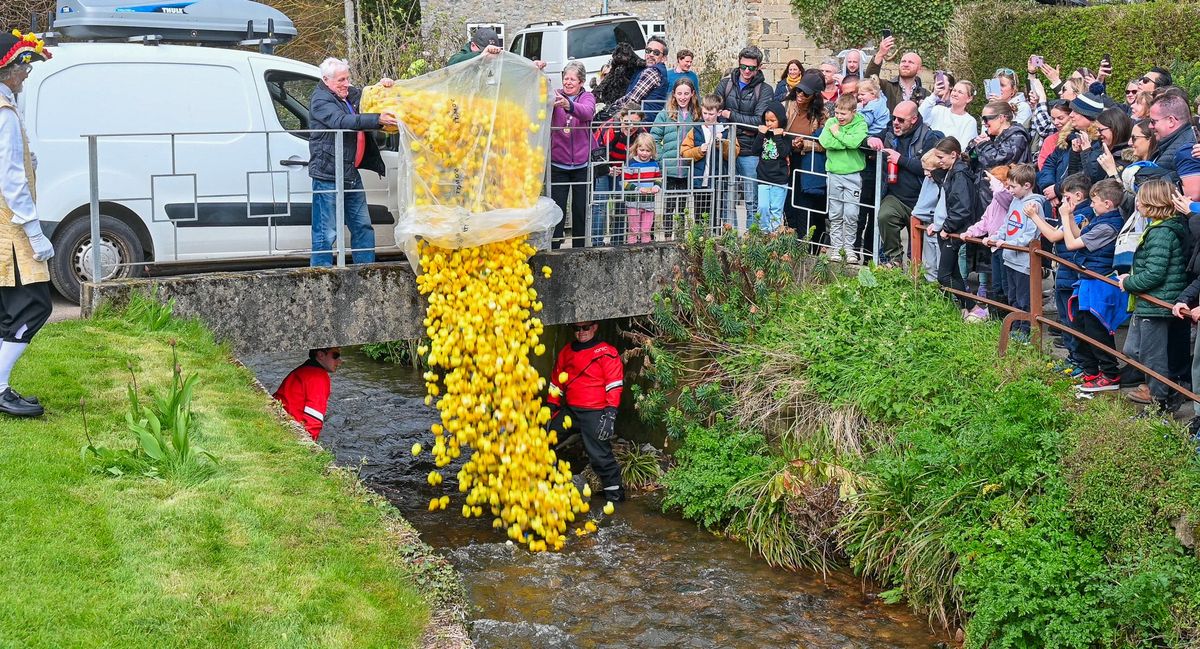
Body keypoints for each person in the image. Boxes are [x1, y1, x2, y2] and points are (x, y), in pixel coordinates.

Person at [0, 30, 54, 417]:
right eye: (24, 66)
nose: (27, 74)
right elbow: (10, 179)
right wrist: (34, 231)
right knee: (33, 306)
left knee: (7, 310)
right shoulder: (3, 113)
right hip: (11, 226)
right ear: (8, 69)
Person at [308, 57, 397, 267]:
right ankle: (321, 274)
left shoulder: (348, 93)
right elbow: (342, 121)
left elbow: (368, 95)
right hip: (327, 173)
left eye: (347, 78)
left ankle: (366, 272)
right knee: (325, 230)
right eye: (341, 80)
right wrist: (377, 120)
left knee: (363, 225)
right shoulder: (320, 100)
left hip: (349, 172)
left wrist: (383, 87)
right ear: (326, 80)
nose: (346, 84)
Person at [1119, 179, 1190, 413]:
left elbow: (1155, 274)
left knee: (1152, 357)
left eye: (1140, 198)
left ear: (1152, 202)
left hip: (1157, 303)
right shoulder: (1157, 228)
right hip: (1146, 302)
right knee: (1132, 350)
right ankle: (1162, 390)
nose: (1136, 202)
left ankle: (1159, 403)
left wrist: (1128, 282)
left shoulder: (1162, 232)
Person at [1060, 179, 1127, 392]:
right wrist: (1069, 215)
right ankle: (1092, 371)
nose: (1091, 205)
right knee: (1080, 325)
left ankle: (1110, 374)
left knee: (1096, 329)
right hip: (1089, 280)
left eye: (1095, 201)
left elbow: (1071, 244)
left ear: (1108, 203)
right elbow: (1080, 236)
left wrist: (1062, 216)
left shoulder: (1108, 226)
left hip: (1100, 282)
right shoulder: (1101, 220)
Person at [547, 321, 625, 503]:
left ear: (595, 326)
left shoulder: (606, 352)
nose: (581, 332)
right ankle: (549, 484)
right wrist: (551, 406)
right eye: (576, 328)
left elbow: (614, 385)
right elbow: (556, 381)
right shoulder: (566, 352)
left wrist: (610, 414)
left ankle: (615, 498)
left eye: (586, 328)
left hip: (595, 412)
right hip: (571, 411)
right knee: (543, 440)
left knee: (600, 456)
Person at [1025, 173, 1093, 372]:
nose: (1063, 201)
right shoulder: (1075, 212)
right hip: (1064, 271)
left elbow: (1054, 236)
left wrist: (1034, 217)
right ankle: (1074, 358)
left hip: (1071, 272)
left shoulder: (1081, 213)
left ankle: (1079, 361)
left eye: (1066, 197)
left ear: (1078, 195)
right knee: (1065, 318)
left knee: (1072, 320)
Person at [982, 163, 1049, 335]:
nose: (1009, 190)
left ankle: (1026, 332)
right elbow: (1007, 225)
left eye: (1013, 187)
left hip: (1023, 262)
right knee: (1012, 296)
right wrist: (996, 237)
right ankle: (1016, 329)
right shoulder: (1015, 201)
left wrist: (1009, 244)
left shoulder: (1034, 205)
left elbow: (1031, 234)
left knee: (1024, 298)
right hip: (1010, 258)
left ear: (1027, 185)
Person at [875, 100, 941, 267]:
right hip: (896, 196)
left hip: (921, 200)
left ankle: (915, 275)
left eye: (901, 120)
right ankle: (894, 260)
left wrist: (901, 160)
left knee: (917, 246)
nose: (895, 122)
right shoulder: (890, 131)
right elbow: (867, 140)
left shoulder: (929, 136)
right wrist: (871, 140)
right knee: (885, 216)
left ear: (913, 119)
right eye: (893, 118)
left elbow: (928, 167)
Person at [714, 46, 771, 227]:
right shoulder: (725, 84)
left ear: (758, 67)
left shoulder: (765, 90)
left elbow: (758, 122)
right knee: (724, 195)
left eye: (751, 68)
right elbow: (713, 110)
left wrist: (730, 116)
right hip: (725, 146)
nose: (746, 71)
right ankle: (728, 236)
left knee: (750, 198)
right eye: (743, 66)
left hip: (749, 149)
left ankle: (750, 238)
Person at [928, 137, 979, 314]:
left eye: (941, 157)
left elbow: (962, 207)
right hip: (946, 228)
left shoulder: (959, 174)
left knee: (944, 275)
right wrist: (937, 225)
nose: (938, 161)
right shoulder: (951, 171)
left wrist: (947, 227)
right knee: (953, 272)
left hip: (953, 230)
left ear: (953, 155)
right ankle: (966, 307)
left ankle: (972, 305)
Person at [549, 62, 596, 249]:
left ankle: (579, 248)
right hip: (558, 163)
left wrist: (569, 105)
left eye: (572, 79)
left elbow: (587, 112)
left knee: (580, 210)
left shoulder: (588, 96)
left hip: (581, 165)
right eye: (566, 78)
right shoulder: (554, 95)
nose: (568, 82)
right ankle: (554, 247)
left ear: (581, 82)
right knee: (557, 209)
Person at [819, 94, 868, 262]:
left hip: (853, 175)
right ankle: (836, 248)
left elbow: (855, 142)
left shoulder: (860, 124)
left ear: (853, 112)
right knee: (835, 213)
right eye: (837, 113)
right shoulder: (831, 123)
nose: (839, 117)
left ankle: (849, 248)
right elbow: (824, 141)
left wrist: (838, 135)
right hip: (834, 173)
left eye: (843, 114)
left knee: (851, 213)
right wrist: (844, 142)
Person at [962, 166, 1014, 322]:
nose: (989, 185)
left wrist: (995, 181)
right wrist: (971, 231)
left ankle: (1009, 318)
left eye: (991, 182)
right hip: (994, 247)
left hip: (1005, 247)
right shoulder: (994, 201)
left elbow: (1001, 193)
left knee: (1006, 286)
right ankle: (997, 317)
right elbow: (985, 221)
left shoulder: (1007, 199)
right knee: (997, 285)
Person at [783, 70, 829, 243]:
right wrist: (789, 144)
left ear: (815, 96)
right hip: (787, 161)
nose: (801, 95)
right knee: (788, 204)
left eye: (806, 93)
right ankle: (789, 242)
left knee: (804, 206)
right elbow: (775, 131)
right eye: (799, 90)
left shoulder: (822, 114)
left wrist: (805, 144)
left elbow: (825, 143)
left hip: (807, 163)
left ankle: (805, 244)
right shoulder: (786, 106)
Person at [681, 94, 738, 228]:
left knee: (716, 215)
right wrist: (699, 150)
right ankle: (700, 241)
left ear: (718, 113)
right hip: (700, 180)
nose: (707, 117)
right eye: (705, 113)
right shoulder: (696, 130)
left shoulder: (726, 129)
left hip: (718, 180)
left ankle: (714, 240)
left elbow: (734, 152)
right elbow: (684, 152)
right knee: (699, 215)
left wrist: (722, 143)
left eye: (711, 114)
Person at [652, 77, 700, 234]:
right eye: (679, 93)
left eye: (686, 93)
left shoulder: (697, 114)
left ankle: (680, 236)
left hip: (688, 168)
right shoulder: (665, 114)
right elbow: (654, 138)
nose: (683, 97)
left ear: (692, 94)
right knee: (669, 206)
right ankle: (667, 236)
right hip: (670, 168)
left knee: (683, 207)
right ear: (674, 94)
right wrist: (661, 159)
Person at [591, 110, 645, 245]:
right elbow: (595, 152)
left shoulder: (641, 133)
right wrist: (608, 169)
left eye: (635, 124)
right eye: (627, 122)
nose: (631, 127)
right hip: (603, 167)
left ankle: (618, 240)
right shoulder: (609, 129)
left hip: (623, 169)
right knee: (600, 204)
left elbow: (643, 153)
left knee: (622, 204)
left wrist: (627, 169)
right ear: (621, 118)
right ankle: (597, 243)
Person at [274, 347, 343, 440]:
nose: (339, 362)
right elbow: (314, 418)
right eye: (335, 356)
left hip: (276, 418)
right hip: (289, 430)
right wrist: (308, 444)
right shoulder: (319, 377)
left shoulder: (303, 369)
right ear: (320, 355)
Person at [1148, 94, 1200, 200]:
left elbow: (1192, 197)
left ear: (1171, 121)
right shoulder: (1171, 143)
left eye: (1153, 121)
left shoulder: (1187, 149)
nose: (1150, 126)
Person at [752, 101, 792, 231]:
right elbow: (755, 149)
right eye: (766, 120)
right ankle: (764, 233)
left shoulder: (785, 136)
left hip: (779, 179)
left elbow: (784, 152)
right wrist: (760, 134)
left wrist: (778, 137)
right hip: (763, 177)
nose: (769, 123)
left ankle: (774, 234)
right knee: (762, 207)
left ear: (780, 120)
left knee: (776, 209)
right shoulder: (763, 134)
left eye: (772, 120)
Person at [611, 36, 669, 122]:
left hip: (641, 122)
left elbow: (632, 99)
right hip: (643, 120)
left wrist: (612, 107)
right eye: (648, 51)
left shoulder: (652, 71)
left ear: (664, 58)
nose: (651, 54)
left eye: (656, 53)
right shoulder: (649, 69)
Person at [864, 36, 929, 111]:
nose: (906, 64)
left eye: (911, 62)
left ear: (919, 70)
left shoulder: (925, 95)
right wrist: (880, 54)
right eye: (903, 61)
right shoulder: (886, 87)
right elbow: (868, 82)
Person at [622, 133, 662, 244]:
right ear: (636, 148)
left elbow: (658, 178)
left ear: (652, 151)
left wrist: (657, 186)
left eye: (648, 151)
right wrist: (638, 189)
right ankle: (631, 250)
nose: (644, 153)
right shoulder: (631, 163)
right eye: (642, 149)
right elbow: (624, 182)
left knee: (646, 230)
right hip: (633, 202)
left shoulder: (654, 164)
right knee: (633, 230)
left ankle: (646, 251)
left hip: (649, 202)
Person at [919, 79, 978, 150]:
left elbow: (964, 147)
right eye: (954, 90)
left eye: (960, 92)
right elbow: (920, 116)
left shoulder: (969, 121)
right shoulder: (938, 110)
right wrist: (934, 95)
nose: (955, 94)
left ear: (969, 98)